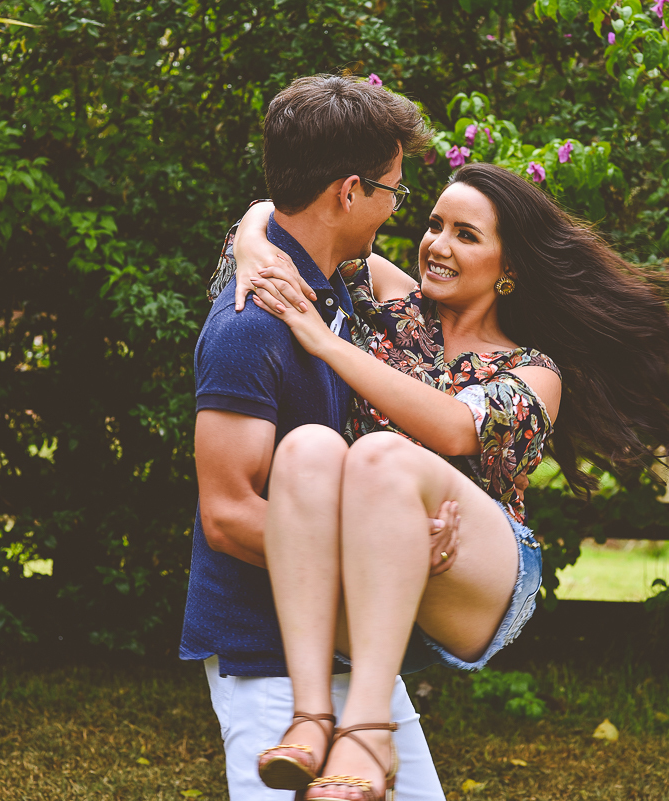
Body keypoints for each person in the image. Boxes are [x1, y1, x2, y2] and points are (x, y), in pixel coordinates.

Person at [228, 162, 669, 800]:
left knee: (379, 456)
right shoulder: (389, 298)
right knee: (308, 448)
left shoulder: (535, 372)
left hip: (483, 570)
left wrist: (327, 343)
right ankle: (312, 718)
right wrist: (253, 241)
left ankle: (368, 735)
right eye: (433, 225)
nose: (437, 244)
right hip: (382, 554)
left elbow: (455, 429)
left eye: (466, 235)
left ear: (510, 271)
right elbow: (287, 217)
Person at [179, 74, 453, 801]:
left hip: (356, 652)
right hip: (267, 660)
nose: (397, 211)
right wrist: (384, 559)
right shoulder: (248, 327)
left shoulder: (336, 288)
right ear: (349, 191)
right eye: (392, 192)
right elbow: (228, 511)